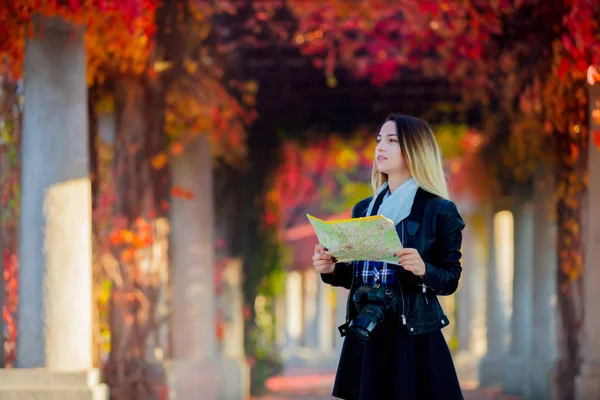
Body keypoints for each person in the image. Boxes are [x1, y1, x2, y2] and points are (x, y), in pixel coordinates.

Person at [313, 114, 465, 400]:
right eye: (379, 140)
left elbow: (450, 279)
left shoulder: (439, 211)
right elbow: (358, 275)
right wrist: (331, 269)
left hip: (411, 333)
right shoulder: (364, 209)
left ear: (414, 149)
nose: (380, 147)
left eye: (392, 141)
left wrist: (423, 269)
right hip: (369, 328)